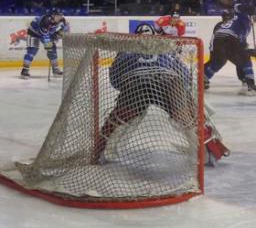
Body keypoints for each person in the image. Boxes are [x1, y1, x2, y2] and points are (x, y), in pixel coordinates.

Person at [93, 22, 228, 165]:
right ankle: (207, 151)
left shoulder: (126, 49)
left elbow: (115, 78)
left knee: (121, 117)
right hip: (169, 81)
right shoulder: (165, 47)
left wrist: (125, 91)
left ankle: (103, 150)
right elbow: (184, 75)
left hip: (136, 82)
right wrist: (185, 98)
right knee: (186, 116)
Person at [204, 3, 256, 95]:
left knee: (220, 61)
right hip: (228, 38)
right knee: (245, 59)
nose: (254, 21)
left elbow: (240, 46)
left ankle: (202, 79)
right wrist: (247, 7)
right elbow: (236, 7)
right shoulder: (243, 18)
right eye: (255, 18)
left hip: (219, 39)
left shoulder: (243, 26)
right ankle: (250, 84)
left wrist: (248, 50)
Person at [20, 9, 69, 79]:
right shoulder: (45, 21)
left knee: (52, 50)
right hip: (33, 33)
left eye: (61, 15)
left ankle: (56, 70)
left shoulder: (62, 21)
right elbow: (45, 36)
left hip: (46, 33)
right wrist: (48, 46)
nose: (60, 17)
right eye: (58, 15)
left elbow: (64, 30)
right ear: (53, 15)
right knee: (32, 51)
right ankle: (24, 71)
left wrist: (58, 35)